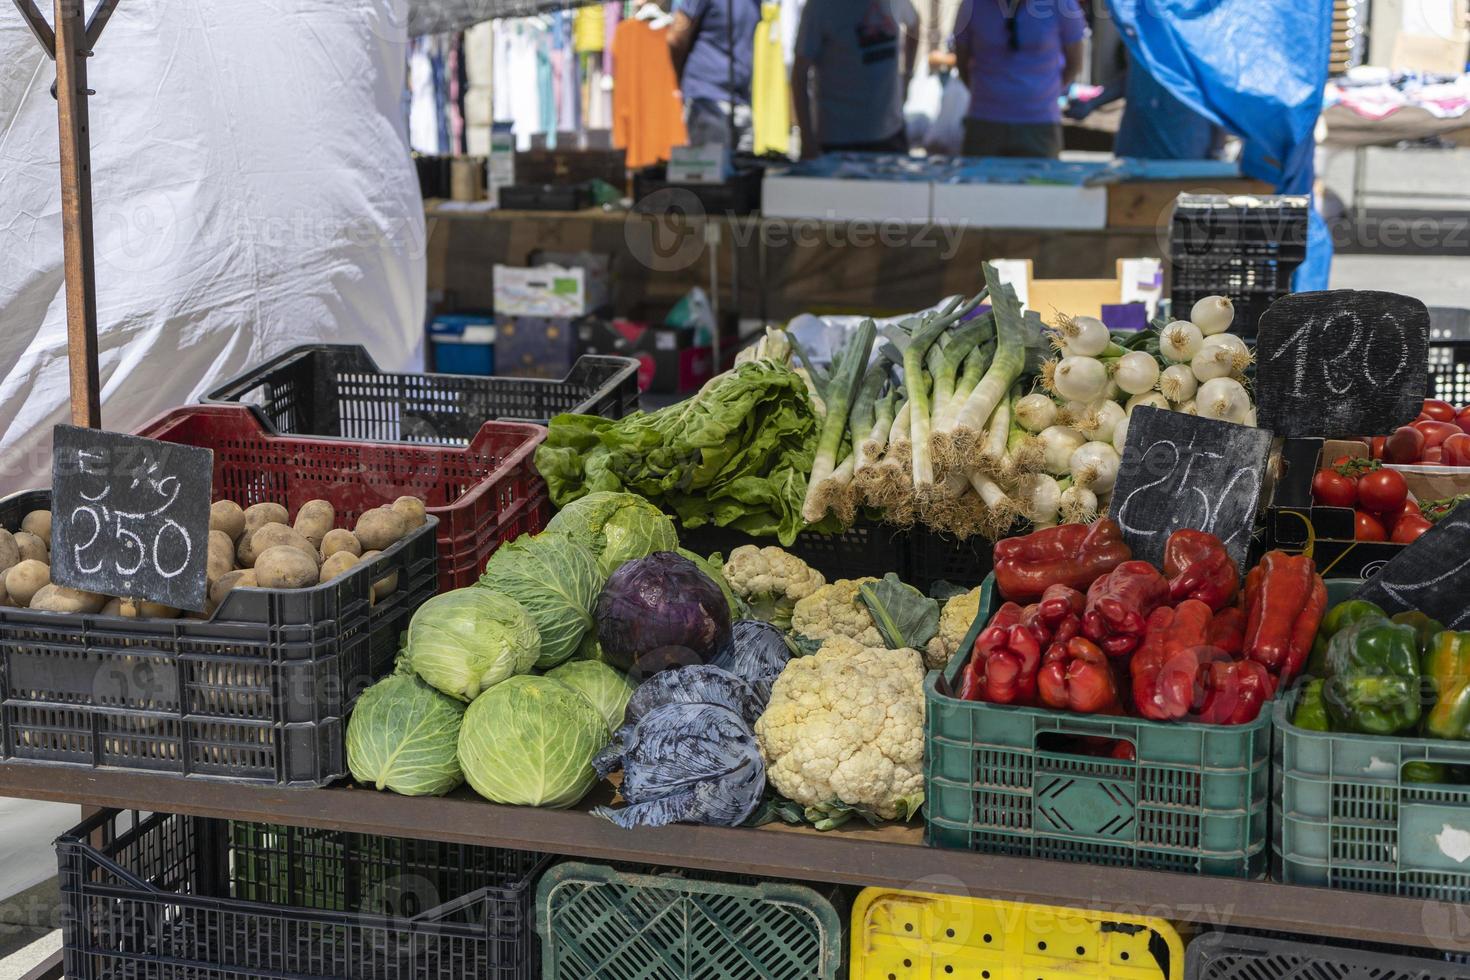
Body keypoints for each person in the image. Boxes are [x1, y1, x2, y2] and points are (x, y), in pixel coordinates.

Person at [951, 0, 1087, 159]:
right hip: (984, 123)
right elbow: (962, 63)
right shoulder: (973, 5)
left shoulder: (1062, 4)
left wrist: (1042, 96)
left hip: (1039, 125)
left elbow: (1075, 63)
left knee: (1040, 182)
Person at [792, 0, 921, 157]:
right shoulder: (821, 5)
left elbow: (914, 24)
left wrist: (907, 76)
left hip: (890, 134)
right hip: (838, 140)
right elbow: (799, 73)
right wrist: (807, 139)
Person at [1065, 51, 1227, 160]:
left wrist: (1217, 149)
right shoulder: (1138, 19)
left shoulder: (1198, 25)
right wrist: (1093, 102)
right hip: (1135, 151)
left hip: (1184, 153)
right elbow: (1134, 75)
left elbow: (1219, 89)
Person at [668, 0, 762, 152]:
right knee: (708, 171)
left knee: (742, 170)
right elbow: (675, 38)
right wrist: (680, 81)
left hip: (741, 101)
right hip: (706, 98)